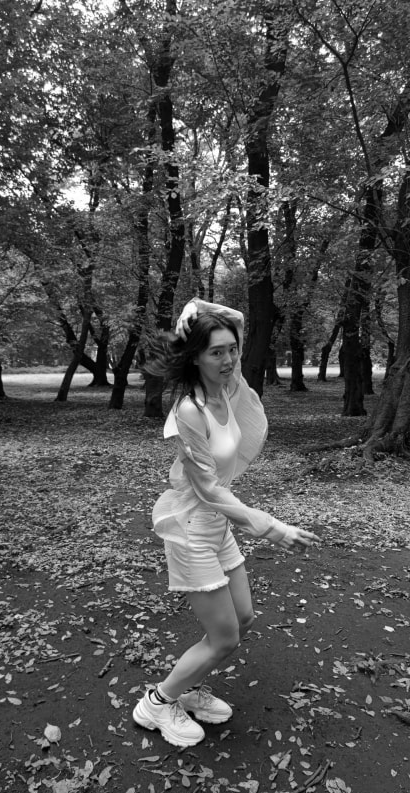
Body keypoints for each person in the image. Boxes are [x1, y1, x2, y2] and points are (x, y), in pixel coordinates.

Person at [132, 298, 320, 747]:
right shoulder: (190, 410)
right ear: (195, 356)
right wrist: (272, 527)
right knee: (223, 638)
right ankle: (157, 703)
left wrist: (198, 309)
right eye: (216, 352)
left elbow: (235, 319)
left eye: (232, 350)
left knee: (243, 618)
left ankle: (188, 688)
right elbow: (208, 490)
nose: (229, 359)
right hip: (192, 527)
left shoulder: (229, 388)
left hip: (217, 526)